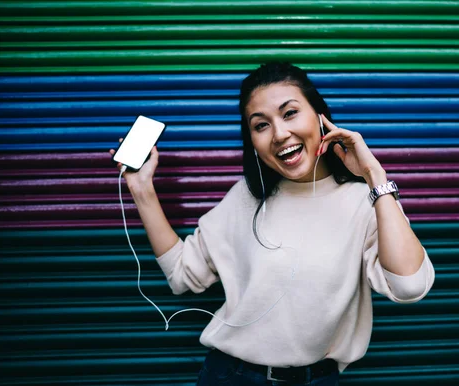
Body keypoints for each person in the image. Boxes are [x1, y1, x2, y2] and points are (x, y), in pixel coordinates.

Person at [110, 62, 435, 386]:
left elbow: (409, 286)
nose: (280, 134)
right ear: (251, 140)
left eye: (290, 113)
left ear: (321, 118)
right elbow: (182, 275)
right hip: (231, 377)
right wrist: (142, 191)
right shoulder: (246, 197)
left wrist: (374, 175)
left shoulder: (366, 201)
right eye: (261, 125)